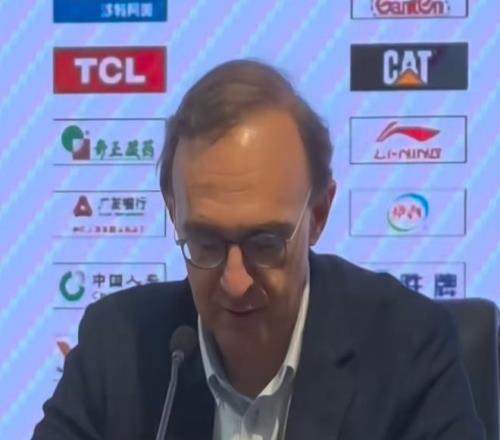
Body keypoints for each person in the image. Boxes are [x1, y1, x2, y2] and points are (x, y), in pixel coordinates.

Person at [33, 60, 484, 440]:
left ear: (318, 214)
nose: (235, 282)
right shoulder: (117, 346)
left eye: (265, 242)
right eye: (206, 241)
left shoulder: (407, 347)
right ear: (173, 214)